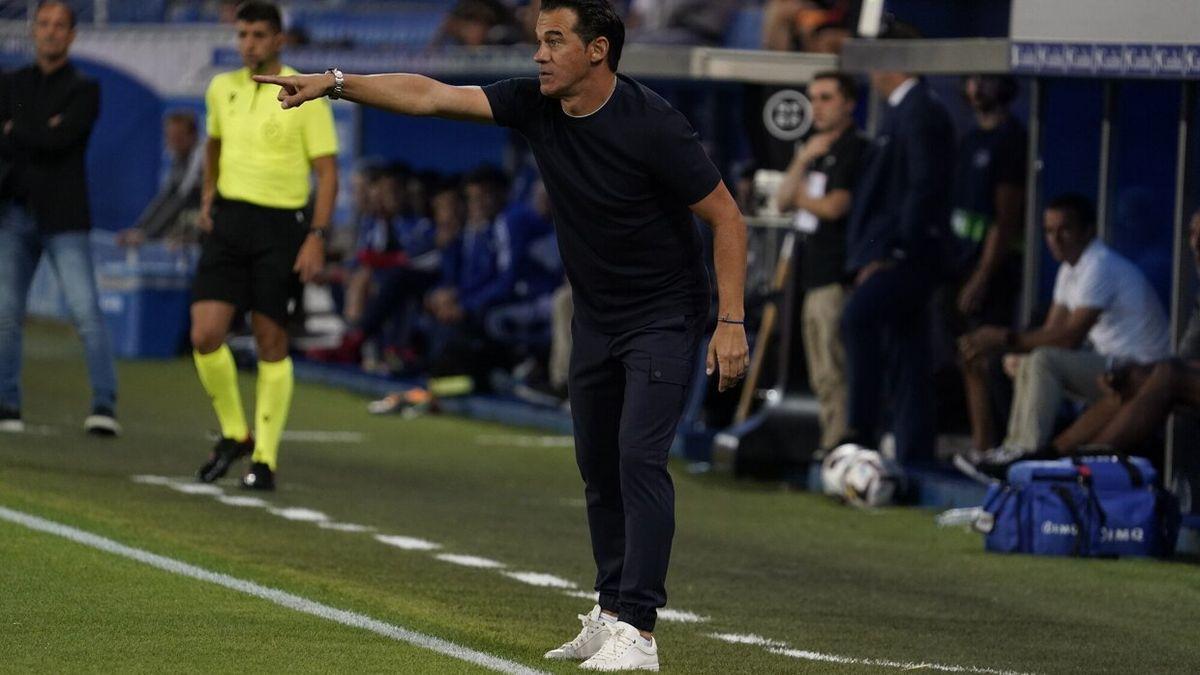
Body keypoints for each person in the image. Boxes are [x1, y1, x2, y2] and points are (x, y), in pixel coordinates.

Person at [255, 0, 748, 668]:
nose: (538, 54)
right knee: (598, 467)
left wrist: (730, 321)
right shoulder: (535, 104)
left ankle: (639, 629)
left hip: (665, 314)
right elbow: (429, 95)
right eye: (537, 41)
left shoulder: (653, 124)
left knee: (638, 460)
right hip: (595, 315)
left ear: (597, 50)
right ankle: (609, 612)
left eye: (553, 41)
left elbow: (728, 218)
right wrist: (337, 84)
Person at [191, 1, 338, 491]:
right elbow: (212, 143)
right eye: (242, 34)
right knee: (205, 334)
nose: (248, 43)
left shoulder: (303, 89)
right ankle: (236, 432)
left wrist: (316, 238)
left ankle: (265, 460)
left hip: (282, 227)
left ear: (279, 40)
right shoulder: (221, 88)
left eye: (258, 35)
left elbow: (327, 172)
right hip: (230, 221)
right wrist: (209, 194)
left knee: (271, 340)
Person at [955, 194, 1170, 478]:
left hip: (1141, 373)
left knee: (1043, 360)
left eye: (1064, 230)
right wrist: (1019, 353)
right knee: (1030, 359)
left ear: (1088, 231)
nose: (1055, 239)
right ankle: (1009, 449)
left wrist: (1004, 338)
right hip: (1110, 365)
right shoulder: (1070, 269)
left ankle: (1024, 451)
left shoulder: (1100, 264)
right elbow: (1050, 332)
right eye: (1048, 231)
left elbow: (1069, 337)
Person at [0, 1, 119, 436]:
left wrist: (19, 130)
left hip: (65, 217)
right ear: (34, 31)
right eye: (44, 24)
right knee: (6, 313)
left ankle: (104, 404)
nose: (50, 32)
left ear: (72, 35)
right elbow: (36, 139)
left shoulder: (85, 89)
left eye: (59, 26)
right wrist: (39, 131)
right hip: (14, 211)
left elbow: (61, 141)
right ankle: (7, 403)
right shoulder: (9, 82)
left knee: (86, 312)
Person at [840, 22, 955, 462]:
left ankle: (862, 432)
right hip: (902, 252)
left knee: (858, 318)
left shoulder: (922, 111)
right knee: (908, 350)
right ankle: (913, 451)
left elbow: (923, 189)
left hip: (911, 254)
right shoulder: (899, 111)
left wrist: (893, 254)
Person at [775, 71, 867, 452]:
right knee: (819, 368)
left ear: (848, 102)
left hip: (836, 272)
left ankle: (838, 443)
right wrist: (803, 159)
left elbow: (835, 206)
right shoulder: (814, 149)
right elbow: (781, 199)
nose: (817, 107)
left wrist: (801, 199)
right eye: (813, 98)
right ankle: (831, 441)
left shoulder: (853, 147)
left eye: (826, 98)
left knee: (833, 365)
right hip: (811, 274)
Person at [950, 75, 1027, 454]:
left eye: (986, 81)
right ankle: (982, 447)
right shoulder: (970, 138)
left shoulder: (1011, 140)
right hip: (961, 264)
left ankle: (1005, 447)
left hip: (994, 271)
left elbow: (1006, 219)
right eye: (972, 81)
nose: (976, 89)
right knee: (967, 353)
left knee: (989, 357)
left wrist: (982, 277)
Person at [117, 110, 205, 247]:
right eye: (169, 137)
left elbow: (181, 199)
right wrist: (139, 229)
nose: (172, 142)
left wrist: (146, 235)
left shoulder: (201, 156)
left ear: (192, 136)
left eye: (178, 138)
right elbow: (165, 196)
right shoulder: (178, 155)